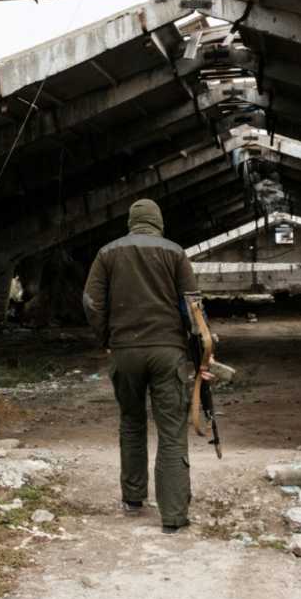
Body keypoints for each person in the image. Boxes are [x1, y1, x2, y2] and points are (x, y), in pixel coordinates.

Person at [82, 198, 211, 533]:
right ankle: (173, 516)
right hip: (167, 351)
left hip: (125, 351)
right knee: (171, 430)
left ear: (131, 222)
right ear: (159, 222)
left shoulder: (107, 253)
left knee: (131, 421)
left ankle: (133, 497)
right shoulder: (174, 252)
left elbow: (92, 302)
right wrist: (198, 356)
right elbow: (192, 308)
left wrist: (107, 338)